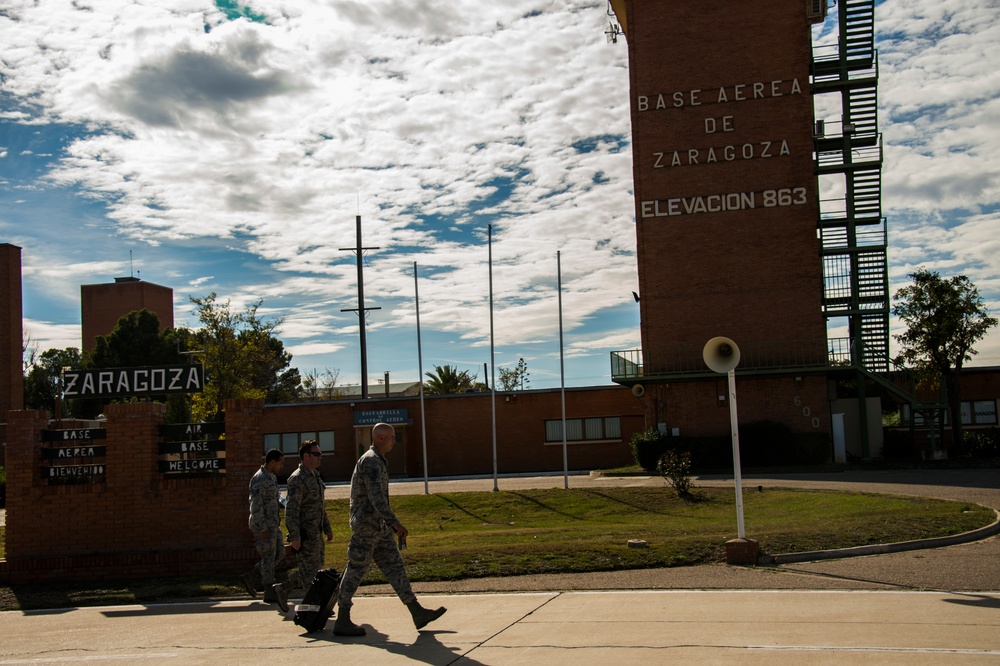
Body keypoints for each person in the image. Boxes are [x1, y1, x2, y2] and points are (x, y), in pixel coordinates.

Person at [333, 423, 446, 636]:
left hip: (380, 528)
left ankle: (416, 611)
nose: (395, 441)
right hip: (367, 527)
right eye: (392, 437)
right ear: (380, 438)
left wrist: (388, 524)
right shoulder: (371, 461)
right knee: (356, 571)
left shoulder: (378, 461)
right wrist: (395, 523)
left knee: (395, 567)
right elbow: (376, 498)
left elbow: (380, 499)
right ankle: (342, 619)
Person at [272, 439, 333, 613]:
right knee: (310, 571)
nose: (320, 457)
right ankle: (314, 608)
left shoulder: (315, 475)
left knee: (314, 568)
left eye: (320, 454)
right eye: (317, 454)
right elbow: (291, 509)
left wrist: (327, 527)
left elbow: (320, 506)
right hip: (305, 533)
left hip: (316, 532)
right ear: (306, 456)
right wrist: (295, 535)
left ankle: (283, 589)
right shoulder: (297, 479)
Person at [241, 448, 286, 603]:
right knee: (268, 556)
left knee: (280, 553)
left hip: (273, 523)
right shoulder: (259, 479)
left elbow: (274, 497)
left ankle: (251, 576)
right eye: (280, 463)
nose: (282, 466)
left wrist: (283, 503)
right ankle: (269, 590)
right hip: (264, 525)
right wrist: (262, 528)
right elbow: (256, 506)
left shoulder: (271, 477)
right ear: (272, 462)